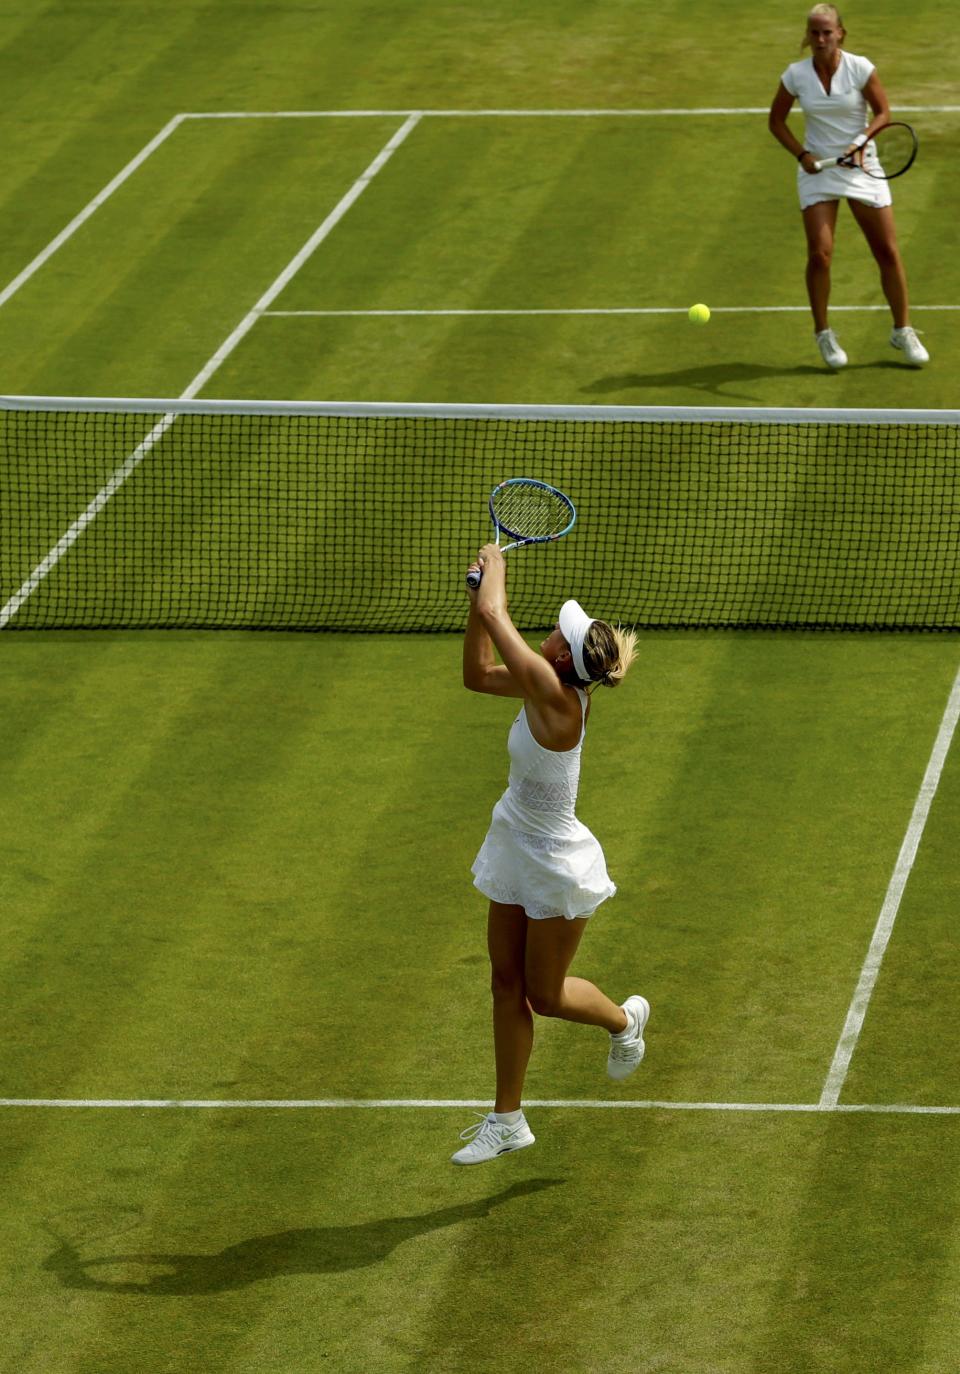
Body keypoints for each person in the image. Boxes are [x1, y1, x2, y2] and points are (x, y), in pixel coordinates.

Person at [452, 541, 648, 1165]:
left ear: (561, 659)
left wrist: (494, 568)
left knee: (546, 994)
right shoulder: (547, 685)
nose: (549, 635)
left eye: (557, 635)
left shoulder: (554, 694)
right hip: (515, 840)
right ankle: (506, 1119)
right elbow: (477, 675)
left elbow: (498, 614)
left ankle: (623, 1022)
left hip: (556, 861)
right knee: (504, 982)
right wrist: (473, 603)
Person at [768, 4, 929, 370]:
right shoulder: (795, 75)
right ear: (807, 36)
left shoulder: (860, 67)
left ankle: (902, 330)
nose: (821, 39)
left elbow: (884, 112)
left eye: (827, 32)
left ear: (841, 33)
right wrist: (802, 154)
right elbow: (776, 121)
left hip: (862, 166)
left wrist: (858, 143)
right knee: (820, 254)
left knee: (887, 251)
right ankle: (823, 334)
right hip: (818, 170)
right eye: (814, 33)